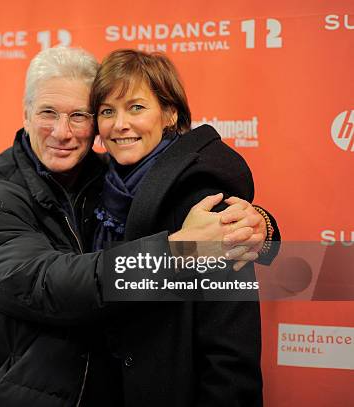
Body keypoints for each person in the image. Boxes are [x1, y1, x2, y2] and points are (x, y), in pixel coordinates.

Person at [0, 47, 278, 407]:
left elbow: (230, 341)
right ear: (25, 115)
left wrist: (260, 226)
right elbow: (50, 284)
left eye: (79, 115)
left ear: (170, 113)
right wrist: (177, 251)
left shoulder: (135, 186)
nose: (62, 131)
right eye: (48, 113)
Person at [81, 49, 280, 406]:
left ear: (170, 113)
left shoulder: (203, 203)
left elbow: (231, 349)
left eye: (136, 107)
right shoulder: (92, 194)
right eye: (107, 111)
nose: (119, 124)